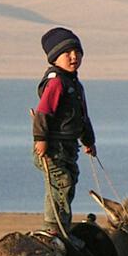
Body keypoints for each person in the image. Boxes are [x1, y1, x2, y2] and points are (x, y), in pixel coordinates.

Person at [32, 27, 96, 241]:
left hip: (69, 147)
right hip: (53, 147)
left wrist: (88, 141)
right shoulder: (56, 83)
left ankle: (62, 225)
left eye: (77, 52)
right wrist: (40, 140)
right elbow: (43, 112)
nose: (73, 56)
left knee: (71, 180)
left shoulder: (75, 85)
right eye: (67, 53)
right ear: (54, 59)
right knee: (61, 182)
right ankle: (53, 228)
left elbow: (83, 117)